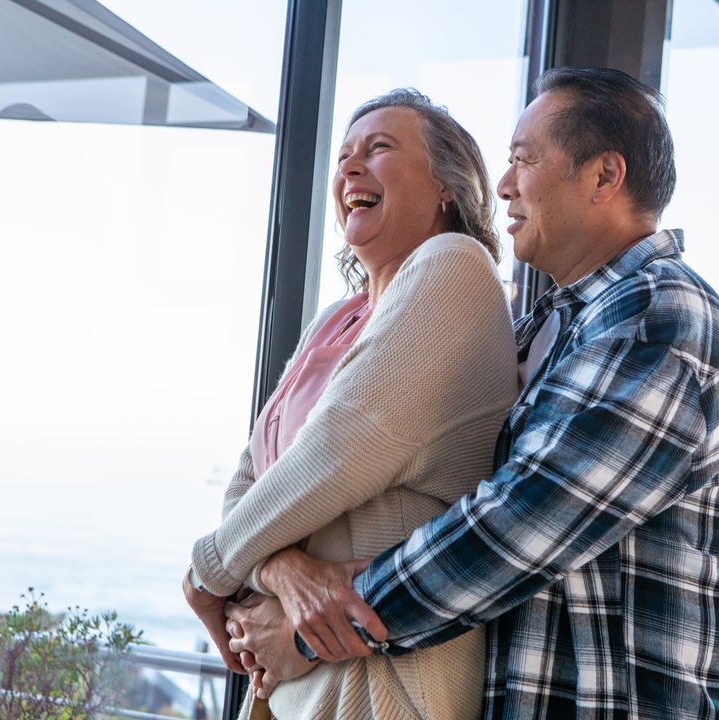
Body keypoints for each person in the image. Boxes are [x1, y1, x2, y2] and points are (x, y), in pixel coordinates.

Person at [229, 67, 719, 719]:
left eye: (523, 160)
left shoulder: (661, 317)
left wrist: (315, 625)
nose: (504, 184)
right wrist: (280, 569)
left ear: (603, 176)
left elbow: (522, 523)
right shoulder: (547, 326)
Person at [182, 88, 519, 720]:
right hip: (291, 690)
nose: (350, 169)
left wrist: (212, 568)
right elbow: (251, 482)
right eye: (343, 156)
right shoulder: (337, 319)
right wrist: (279, 569)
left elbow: (340, 451)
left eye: (380, 148)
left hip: (383, 688)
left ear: (447, 187)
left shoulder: (455, 267)